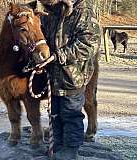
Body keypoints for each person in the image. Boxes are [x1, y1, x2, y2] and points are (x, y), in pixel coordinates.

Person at [28, 0, 101, 159]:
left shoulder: (83, 11)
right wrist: (40, 59)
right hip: (54, 76)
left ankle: (71, 149)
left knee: (71, 114)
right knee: (55, 114)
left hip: (72, 76)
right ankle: (58, 146)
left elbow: (89, 44)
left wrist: (58, 56)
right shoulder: (52, 12)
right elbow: (44, 36)